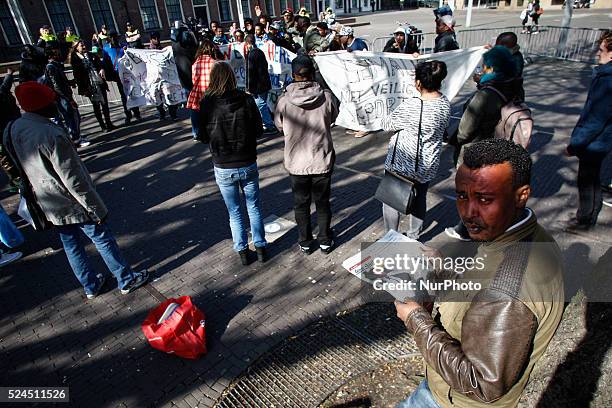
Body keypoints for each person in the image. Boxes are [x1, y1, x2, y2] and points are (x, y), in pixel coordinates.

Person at [395, 138, 564, 408]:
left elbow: (483, 384)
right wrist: (444, 271)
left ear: (522, 195)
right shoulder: (525, 235)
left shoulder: (507, 291)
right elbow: (480, 295)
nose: (469, 213)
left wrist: (416, 319)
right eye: (462, 196)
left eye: (485, 199)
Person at [7, 82, 149, 299]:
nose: (56, 104)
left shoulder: (15, 128)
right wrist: (95, 208)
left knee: (71, 244)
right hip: (71, 200)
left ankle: (90, 285)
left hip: (47, 200)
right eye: (51, 101)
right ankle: (126, 279)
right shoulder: (51, 134)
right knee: (101, 237)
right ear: (41, 106)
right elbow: (73, 178)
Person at [446, 46, 522, 240]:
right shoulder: (513, 85)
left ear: (492, 68)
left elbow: (465, 130)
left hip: (476, 150)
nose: (481, 70)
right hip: (497, 147)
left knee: (470, 192)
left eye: (485, 67)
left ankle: (468, 230)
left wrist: (454, 141)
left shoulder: (486, 95)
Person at [197, 62, 267, 265]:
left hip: (223, 164)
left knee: (234, 211)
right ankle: (260, 246)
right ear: (232, 77)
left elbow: (201, 135)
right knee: (253, 206)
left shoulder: (207, 103)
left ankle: (243, 251)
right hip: (247, 161)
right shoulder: (246, 100)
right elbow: (259, 130)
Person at [274, 56, 339, 255]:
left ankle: (305, 241)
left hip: (296, 161)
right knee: (322, 202)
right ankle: (325, 240)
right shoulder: (326, 96)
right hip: (321, 158)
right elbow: (333, 117)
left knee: (300, 204)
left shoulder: (284, 101)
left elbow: (279, 125)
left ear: (293, 75)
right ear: (312, 73)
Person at [380, 61, 451, 239]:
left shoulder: (413, 105)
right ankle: (414, 235)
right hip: (428, 162)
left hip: (404, 162)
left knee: (391, 201)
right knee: (420, 198)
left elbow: (387, 124)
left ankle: (391, 236)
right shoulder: (444, 103)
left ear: (419, 83)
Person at [565, 31, 612, 231]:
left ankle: (585, 219)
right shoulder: (605, 75)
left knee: (587, 180)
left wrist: (575, 144)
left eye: (601, 50)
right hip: (602, 139)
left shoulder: (607, 79)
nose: (597, 54)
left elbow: (595, 118)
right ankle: (588, 214)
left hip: (596, 142)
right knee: (591, 179)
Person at [44, 42, 87, 147]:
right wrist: (68, 98)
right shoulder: (51, 67)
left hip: (64, 96)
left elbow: (60, 82)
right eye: (56, 50)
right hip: (62, 97)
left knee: (74, 117)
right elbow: (57, 85)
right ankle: (76, 139)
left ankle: (77, 136)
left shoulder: (56, 65)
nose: (59, 52)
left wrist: (70, 82)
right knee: (71, 117)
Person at [70, 40, 116, 132]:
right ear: (76, 48)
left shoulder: (91, 55)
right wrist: (83, 89)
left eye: (83, 45)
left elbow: (100, 64)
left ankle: (109, 123)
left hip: (99, 82)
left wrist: (102, 69)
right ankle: (103, 126)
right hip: (90, 85)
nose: (83, 47)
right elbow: (78, 75)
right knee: (96, 106)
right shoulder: (75, 60)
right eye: (81, 45)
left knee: (105, 104)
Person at [103, 30, 141, 125]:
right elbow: (105, 62)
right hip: (117, 74)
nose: (115, 39)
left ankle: (137, 113)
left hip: (127, 73)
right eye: (113, 37)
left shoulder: (123, 46)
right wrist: (108, 74)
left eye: (116, 37)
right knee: (124, 96)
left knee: (132, 93)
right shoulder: (106, 48)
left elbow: (132, 56)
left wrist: (127, 50)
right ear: (109, 38)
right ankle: (128, 115)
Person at [187, 39, 218, 141]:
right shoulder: (214, 63)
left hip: (197, 90)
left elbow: (193, 79)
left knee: (195, 111)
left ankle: (196, 133)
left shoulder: (195, 63)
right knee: (212, 113)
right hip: (210, 90)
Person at [244, 35, 276, 135]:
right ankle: (268, 124)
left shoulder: (251, 54)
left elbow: (250, 72)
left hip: (258, 85)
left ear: (247, 43)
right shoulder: (260, 52)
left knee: (261, 105)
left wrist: (249, 88)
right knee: (263, 104)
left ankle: (269, 125)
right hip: (264, 83)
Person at [0, 69, 21, 192]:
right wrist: (8, 75)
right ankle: (17, 179)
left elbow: (4, 88)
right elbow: (4, 88)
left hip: (9, 125)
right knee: (6, 156)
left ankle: (18, 178)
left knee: (11, 154)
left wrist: (8, 75)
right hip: (5, 128)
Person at [171, 21, 198, 93]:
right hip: (190, 70)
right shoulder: (189, 40)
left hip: (182, 72)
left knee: (187, 90)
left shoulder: (175, 43)